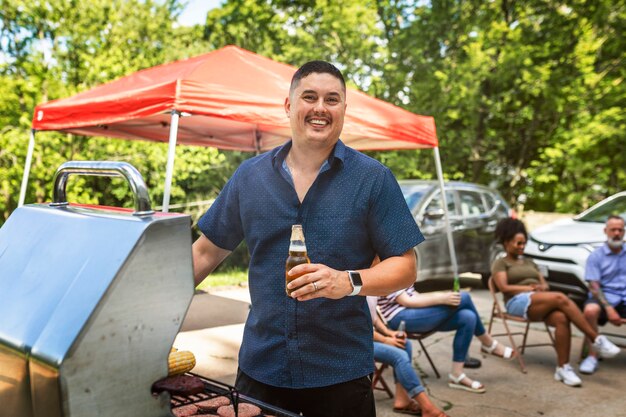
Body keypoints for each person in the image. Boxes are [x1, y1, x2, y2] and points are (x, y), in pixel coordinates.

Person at [192, 60, 424, 417]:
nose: (320, 108)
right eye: (309, 97)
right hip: (261, 368)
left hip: (340, 373)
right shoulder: (250, 177)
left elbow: (406, 267)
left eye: (332, 99)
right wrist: (147, 307)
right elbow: (205, 253)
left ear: (344, 109)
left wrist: (346, 281)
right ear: (289, 105)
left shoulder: (373, 179)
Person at [492, 218, 621, 387]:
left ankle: (563, 368)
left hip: (537, 301)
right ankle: (596, 339)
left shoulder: (530, 262)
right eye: (518, 243)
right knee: (560, 298)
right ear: (506, 242)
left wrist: (540, 287)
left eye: (524, 243)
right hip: (516, 302)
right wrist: (528, 289)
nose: (522, 247)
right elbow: (504, 287)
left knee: (561, 318)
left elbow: (544, 284)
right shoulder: (501, 263)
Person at [377, 287, 515, 394]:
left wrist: (441, 296)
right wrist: (442, 299)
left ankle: (457, 375)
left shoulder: (400, 259)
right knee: (464, 297)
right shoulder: (387, 261)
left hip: (413, 312)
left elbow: (414, 295)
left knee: (467, 317)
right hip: (400, 318)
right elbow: (406, 300)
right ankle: (488, 343)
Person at [367, 297, 450, 417]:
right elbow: (357, 325)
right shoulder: (357, 286)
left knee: (405, 344)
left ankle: (402, 400)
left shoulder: (370, 287)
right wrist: (385, 339)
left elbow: (373, 317)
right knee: (399, 356)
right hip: (357, 342)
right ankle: (427, 408)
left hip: (371, 336)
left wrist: (389, 333)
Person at [579, 215, 625, 374]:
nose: (617, 233)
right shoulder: (596, 256)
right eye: (613, 230)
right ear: (606, 231)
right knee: (590, 310)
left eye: (620, 230)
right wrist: (609, 309)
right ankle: (592, 356)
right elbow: (593, 286)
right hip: (604, 297)